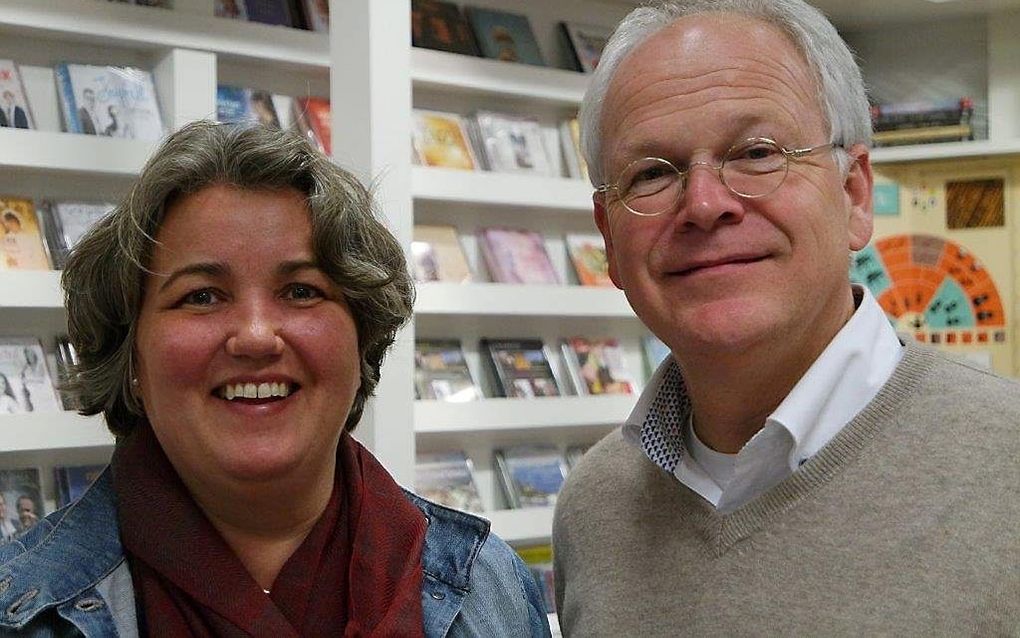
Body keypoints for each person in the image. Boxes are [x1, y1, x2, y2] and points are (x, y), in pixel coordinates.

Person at [552, 1, 1020, 635]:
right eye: (652, 174)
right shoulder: (595, 507)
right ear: (608, 237)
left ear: (854, 194)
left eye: (756, 153)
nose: (706, 204)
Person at [0, 121, 550, 637]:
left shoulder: (488, 586)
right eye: (202, 296)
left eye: (302, 291)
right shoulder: (23, 607)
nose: (257, 336)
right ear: (131, 356)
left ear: (362, 339)